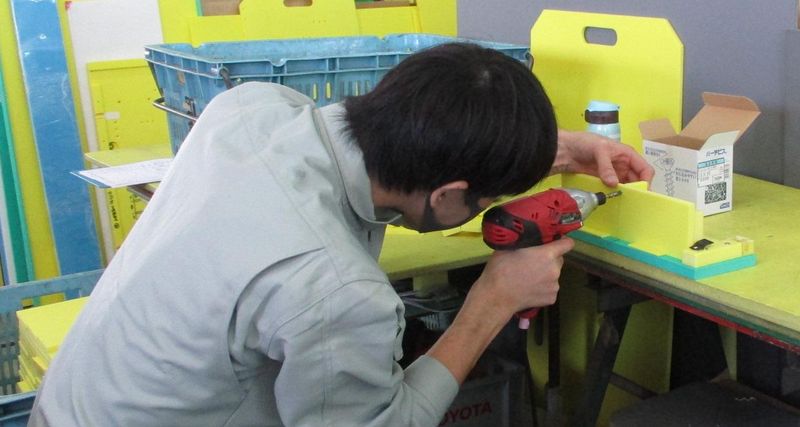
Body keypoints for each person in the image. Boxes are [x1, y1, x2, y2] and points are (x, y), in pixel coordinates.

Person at [29, 42, 653, 426]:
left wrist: (548, 147)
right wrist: (491, 303)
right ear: (447, 195)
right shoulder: (335, 290)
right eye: (487, 198)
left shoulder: (248, 110)